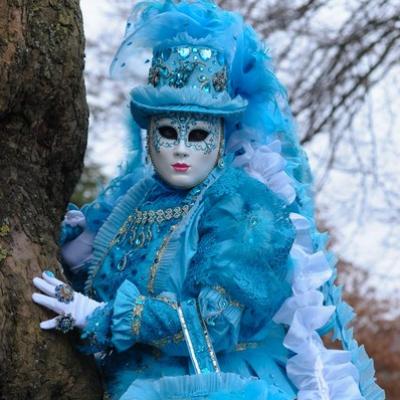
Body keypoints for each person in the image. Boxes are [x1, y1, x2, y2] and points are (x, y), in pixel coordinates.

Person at [32, 1, 385, 399]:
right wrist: (81, 258)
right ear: (149, 137)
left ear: (221, 134)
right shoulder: (133, 201)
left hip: (214, 382)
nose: (181, 149)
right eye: (168, 132)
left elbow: (215, 321)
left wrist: (103, 315)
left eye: (197, 134)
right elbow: (106, 287)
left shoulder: (243, 206)